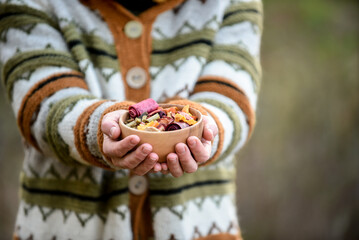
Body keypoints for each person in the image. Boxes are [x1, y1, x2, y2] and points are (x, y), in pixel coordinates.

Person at [0, 0, 263, 239]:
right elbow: (42, 104)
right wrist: (98, 128)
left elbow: (232, 102)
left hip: (200, 228)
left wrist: (202, 129)